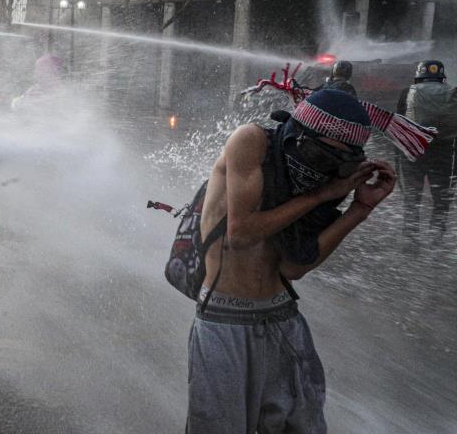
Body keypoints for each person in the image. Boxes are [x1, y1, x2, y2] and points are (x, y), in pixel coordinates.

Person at [188, 90, 398, 433]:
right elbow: (239, 235)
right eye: (321, 153)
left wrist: (360, 209)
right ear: (298, 135)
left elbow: (294, 268)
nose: (323, 167)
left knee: (305, 425)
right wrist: (322, 195)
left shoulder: (323, 177)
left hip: (284, 319)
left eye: (338, 161)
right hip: (225, 322)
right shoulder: (252, 141)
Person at [402, 60, 457, 241]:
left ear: (419, 76)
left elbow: (399, 127)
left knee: (412, 197)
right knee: (441, 199)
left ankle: (411, 241)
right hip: (444, 151)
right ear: (442, 77)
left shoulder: (407, 92)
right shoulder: (453, 92)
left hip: (414, 151)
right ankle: (436, 241)